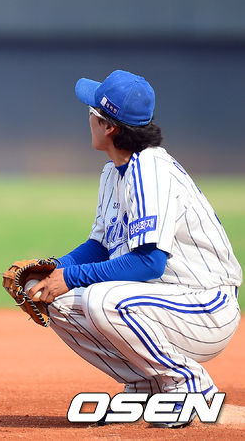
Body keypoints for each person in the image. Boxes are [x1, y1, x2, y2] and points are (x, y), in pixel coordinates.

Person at [27, 69, 242, 428]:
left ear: (109, 126)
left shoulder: (150, 171)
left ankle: (190, 387)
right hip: (163, 302)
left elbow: (149, 263)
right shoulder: (114, 171)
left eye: (93, 112)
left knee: (101, 299)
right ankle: (145, 385)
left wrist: (72, 277)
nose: (88, 118)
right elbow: (99, 245)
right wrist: (53, 269)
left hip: (205, 306)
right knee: (56, 299)